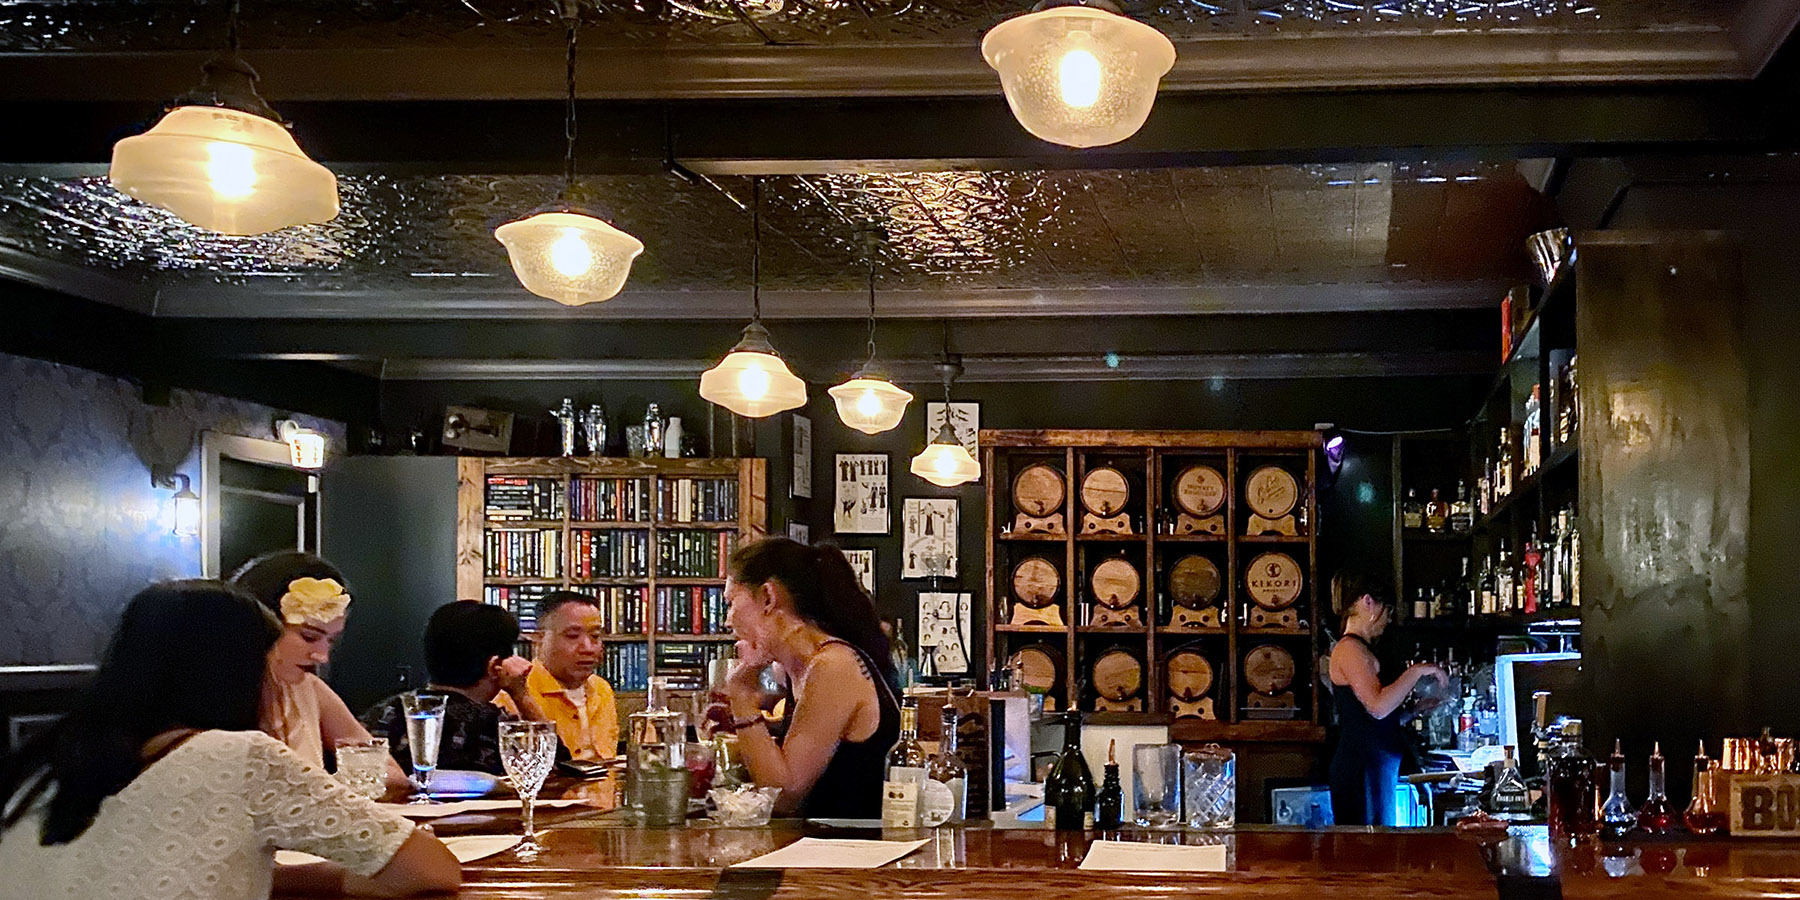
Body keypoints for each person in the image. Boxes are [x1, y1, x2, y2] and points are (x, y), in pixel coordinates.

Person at [0, 581, 459, 899]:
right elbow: (432, 869)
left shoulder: (39, 762)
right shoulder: (240, 757)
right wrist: (290, 878)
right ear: (237, 670)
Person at [721, 538, 898, 818]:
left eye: (731, 603)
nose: (728, 621)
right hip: (819, 851)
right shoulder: (794, 669)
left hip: (854, 855)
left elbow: (783, 795)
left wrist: (741, 698)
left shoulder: (833, 666)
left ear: (768, 597)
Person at [230, 551, 406, 793]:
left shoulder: (309, 689)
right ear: (259, 625)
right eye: (309, 636)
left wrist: (329, 790)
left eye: (332, 640)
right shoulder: (211, 697)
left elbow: (392, 774)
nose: (322, 656)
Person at [361, 600, 553, 775]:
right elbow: (554, 770)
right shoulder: (491, 724)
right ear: (495, 666)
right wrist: (522, 694)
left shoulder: (385, 712)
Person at [1327, 571, 1446, 827]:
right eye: (1388, 609)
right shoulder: (1349, 649)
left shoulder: (1362, 648)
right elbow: (1377, 707)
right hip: (1362, 769)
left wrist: (1413, 711)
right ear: (1368, 602)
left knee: (1380, 848)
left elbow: (1374, 719)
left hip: (1376, 766)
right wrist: (1417, 671)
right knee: (1367, 853)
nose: (1389, 619)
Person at [496, 591, 619, 760]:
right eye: (572, 636)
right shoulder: (512, 693)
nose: (588, 648)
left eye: (595, 636)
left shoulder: (602, 689)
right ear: (539, 639)